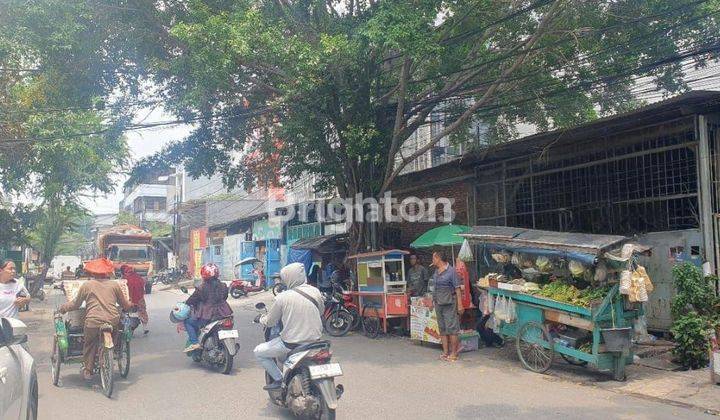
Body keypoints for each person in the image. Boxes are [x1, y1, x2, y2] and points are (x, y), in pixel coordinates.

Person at [59, 261, 134, 380]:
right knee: (116, 334)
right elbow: (124, 304)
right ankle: (111, 352)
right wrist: (130, 304)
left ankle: (88, 370)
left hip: (93, 322)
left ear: (92, 272)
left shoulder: (87, 285)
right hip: (112, 320)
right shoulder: (115, 285)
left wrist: (63, 308)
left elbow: (76, 304)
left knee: (89, 343)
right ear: (107, 272)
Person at [254, 262, 323, 390]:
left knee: (259, 352)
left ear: (288, 277)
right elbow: (321, 312)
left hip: (292, 344)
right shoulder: (315, 292)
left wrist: (261, 319)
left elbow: (270, 322)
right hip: (315, 342)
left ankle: (279, 380)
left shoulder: (282, 297)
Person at [183, 263, 232, 353]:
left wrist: (187, 303)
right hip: (224, 314)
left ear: (204, 275)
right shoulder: (224, 286)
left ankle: (194, 343)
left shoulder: (201, 288)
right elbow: (224, 298)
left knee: (188, 322)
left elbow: (192, 300)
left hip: (208, 316)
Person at [430, 251, 463, 362]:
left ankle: (454, 353)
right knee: (442, 329)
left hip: (449, 303)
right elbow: (434, 288)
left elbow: (457, 288)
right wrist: (431, 301)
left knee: (452, 329)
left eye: (433, 258)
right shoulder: (436, 272)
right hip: (438, 303)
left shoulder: (451, 271)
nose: (432, 260)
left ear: (438, 258)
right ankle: (445, 352)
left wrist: (460, 305)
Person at [121, 265, 149, 335]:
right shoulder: (138, 277)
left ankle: (128, 329)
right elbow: (143, 285)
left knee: (126, 313)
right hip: (139, 298)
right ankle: (145, 328)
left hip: (128, 299)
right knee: (142, 311)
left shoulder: (124, 279)